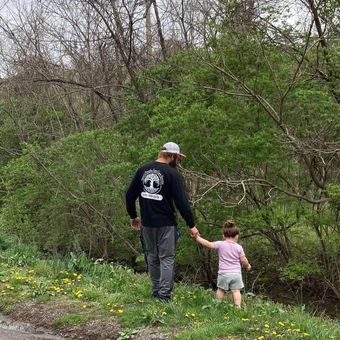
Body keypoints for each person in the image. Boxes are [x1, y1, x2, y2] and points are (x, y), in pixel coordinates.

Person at [125, 142, 199, 302]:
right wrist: (191, 224)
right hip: (166, 224)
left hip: (147, 223)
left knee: (152, 257)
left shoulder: (142, 170)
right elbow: (182, 203)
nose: (178, 162)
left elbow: (129, 196)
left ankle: (156, 291)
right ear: (171, 156)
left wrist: (133, 216)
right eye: (178, 158)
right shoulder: (172, 174)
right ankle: (164, 296)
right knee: (166, 258)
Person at [193, 220, 251, 307]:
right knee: (236, 291)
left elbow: (208, 244)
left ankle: (217, 305)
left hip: (223, 273)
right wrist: (248, 266)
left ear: (223, 236)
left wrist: (197, 238)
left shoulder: (220, 244)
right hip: (236, 274)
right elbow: (243, 260)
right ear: (236, 236)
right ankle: (237, 308)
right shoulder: (239, 247)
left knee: (221, 290)